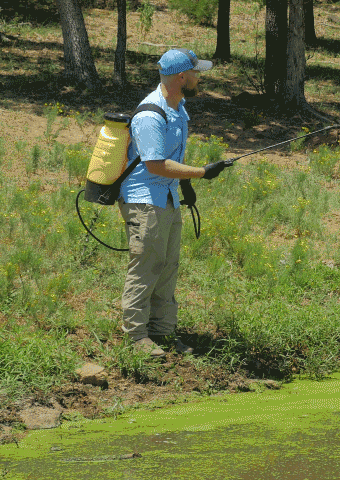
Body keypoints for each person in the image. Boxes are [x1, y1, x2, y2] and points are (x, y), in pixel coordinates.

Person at [118, 48, 226, 357]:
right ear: (182, 77)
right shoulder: (151, 114)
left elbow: (171, 159)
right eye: (196, 73)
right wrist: (202, 173)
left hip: (167, 199)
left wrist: (186, 184)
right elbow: (155, 164)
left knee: (167, 267)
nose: (199, 78)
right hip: (144, 201)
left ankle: (162, 332)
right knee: (146, 266)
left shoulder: (178, 109)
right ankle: (137, 337)